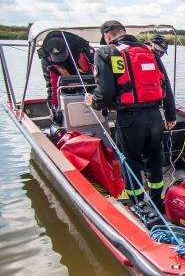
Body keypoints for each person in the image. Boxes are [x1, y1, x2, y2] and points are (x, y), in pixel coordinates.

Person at [84, 20, 177, 211]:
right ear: (124, 32)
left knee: (131, 164)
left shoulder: (106, 52)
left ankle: (138, 207)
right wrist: (170, 116)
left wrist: (93, 101)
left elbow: (106, 91)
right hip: (155, 118)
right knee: (154, 161)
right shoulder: (149, 51)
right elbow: (165, 86)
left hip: (130, 120)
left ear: (107, 36)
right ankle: (156, 203)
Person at [38, 31, 94, 121]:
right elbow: (50, 84)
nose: (60, 59)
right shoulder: (45, 58)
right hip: (60, 77)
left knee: (88, 85)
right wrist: (54, 106)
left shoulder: (81, 48)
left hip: (79, 67)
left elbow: (95, 74)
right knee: (59, 92)